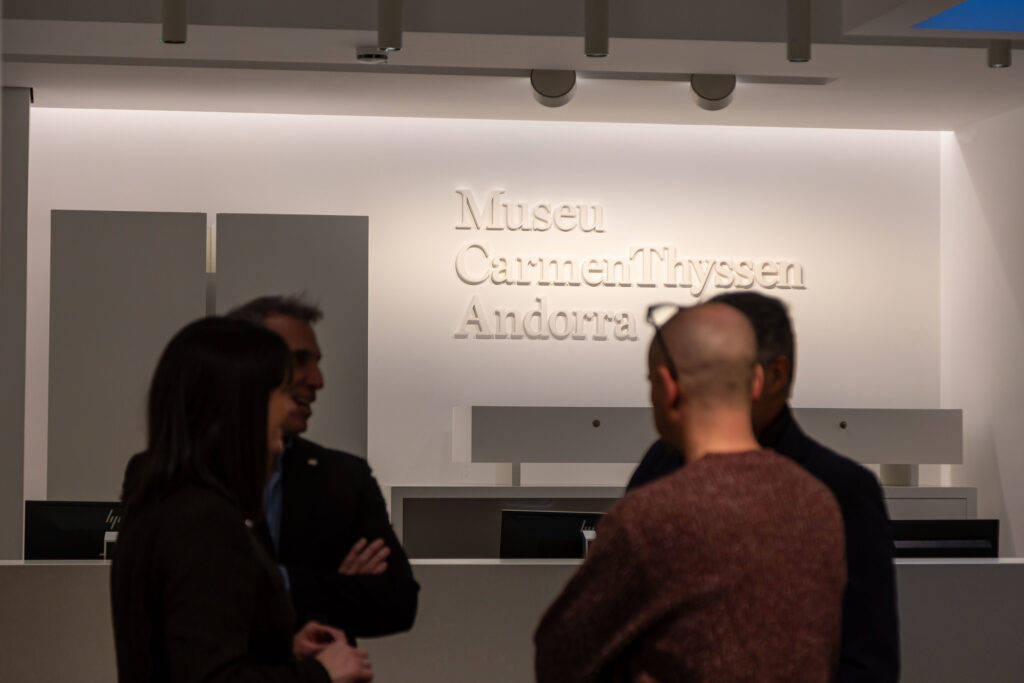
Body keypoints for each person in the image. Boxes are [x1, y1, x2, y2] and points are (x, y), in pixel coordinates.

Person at [535, 302, 846, 683]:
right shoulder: (818, 504)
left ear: (668, 388)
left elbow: (559, 658)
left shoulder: (647, 520)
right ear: (756, 383)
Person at [628, 292, 900, 683]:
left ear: (770, 377)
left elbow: (867, 662)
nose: (687, 388)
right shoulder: (662, 463)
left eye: (719, 369)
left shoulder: (841, 489)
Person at [111, 317, 373, 683]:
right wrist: (320, 672)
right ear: (241, 406)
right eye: (281, 391)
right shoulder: (204, 523)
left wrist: (281, 651)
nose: (289, 410)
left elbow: (191, 650)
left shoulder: (159, 505)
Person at [225, 296, 418, 639]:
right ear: (246, 366)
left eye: (316, 363)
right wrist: (336, 587)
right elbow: (209, 599)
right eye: (299, 360)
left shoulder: (344, 478)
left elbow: (398, 602)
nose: (317, 380)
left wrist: (284, 584)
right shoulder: (184, 474)